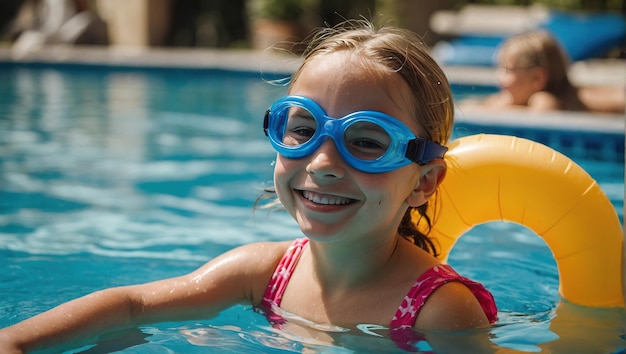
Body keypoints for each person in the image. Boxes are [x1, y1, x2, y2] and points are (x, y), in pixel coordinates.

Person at [0, 20, 498, 353]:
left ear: (424, 181)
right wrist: (16, 343)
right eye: (302, 129)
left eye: (367, 142)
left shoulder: (441, 309)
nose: (323, 163)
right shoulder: (263, 271)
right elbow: (133, 306)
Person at [460, 30, 625, 114]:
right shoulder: (519, 97)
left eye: (508, 70)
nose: (499, 78)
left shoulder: (544, 100)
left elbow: (537, 119)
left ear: (537, 79)